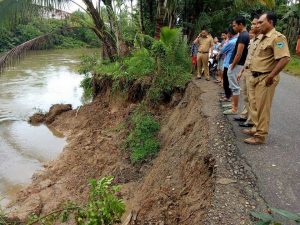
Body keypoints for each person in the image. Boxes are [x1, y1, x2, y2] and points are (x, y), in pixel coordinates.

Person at [243, 12, 290, 144]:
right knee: (254, 105)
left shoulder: (277, 38)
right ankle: (256, 128)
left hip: (265, 78)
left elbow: (285, 58)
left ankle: (260, 136)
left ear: (270, 22)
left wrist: (271, 76)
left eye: (260, 22)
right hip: (254, 76)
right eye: (256, 23)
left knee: (262, 108)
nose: (257, 25)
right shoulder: (261, 37)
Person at [235, 16, 260, 128]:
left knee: (252, 98)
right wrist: (241, 71)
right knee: (246, 96)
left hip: (255, 73)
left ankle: (251, 121)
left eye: (255, 24)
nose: (252, 26)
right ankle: (245, 115)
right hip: (247, 70)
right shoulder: (253, 40)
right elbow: (248, 59)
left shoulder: (265, 39)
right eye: (252, 24)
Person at [223, 16, 250, 115]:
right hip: (237, 65)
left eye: (234, 25)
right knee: (233, 85)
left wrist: (232, 65)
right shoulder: (243, 35)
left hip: (237, 64)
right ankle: (232, 105)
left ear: (240, 24)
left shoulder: (243, 36)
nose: (233, 27)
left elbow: (239, 53)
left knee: (234, 87)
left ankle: (234, 109)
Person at [220, 27, 238, 102]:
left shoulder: (231, 42)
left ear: (229, 34)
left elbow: (222, 50)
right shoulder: (237, 40)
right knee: (230, 81)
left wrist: (227, 41)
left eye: (227, 34)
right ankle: (228, 94)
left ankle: (228, 96)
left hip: (228, 63)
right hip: (233, 63)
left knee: (226, 81)